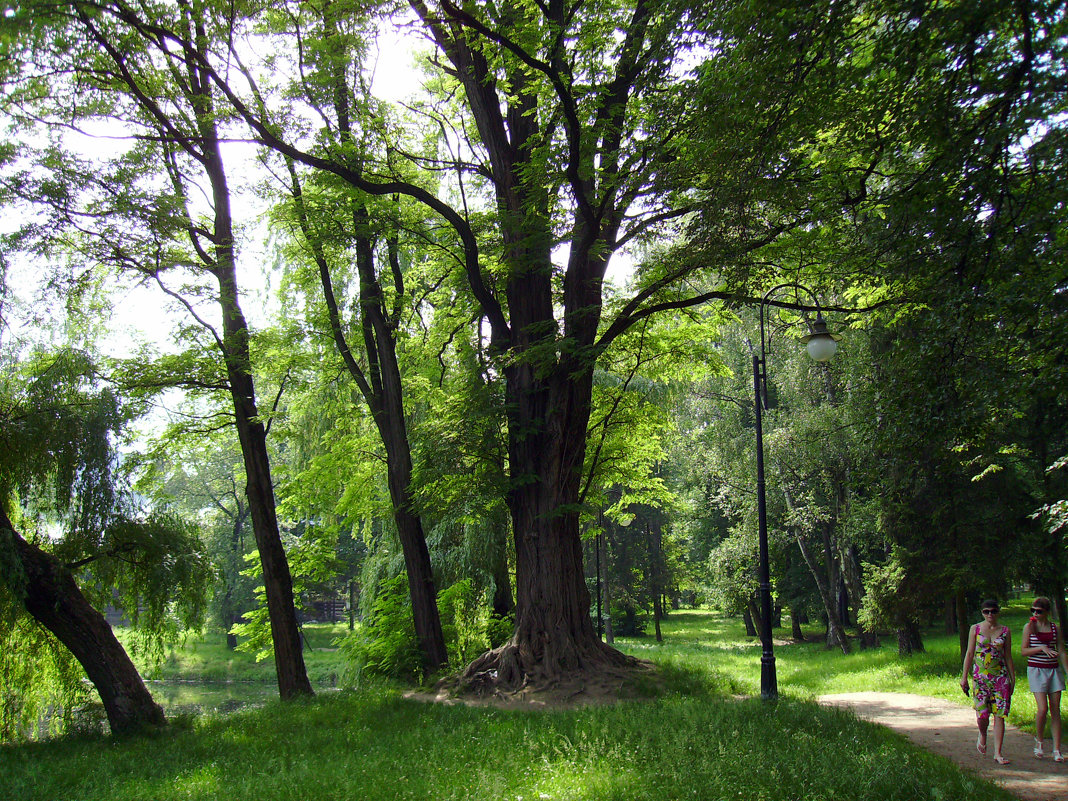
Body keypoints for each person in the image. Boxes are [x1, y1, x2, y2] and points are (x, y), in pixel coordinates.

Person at [961, 599, 1015, 765]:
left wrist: (1012, 678)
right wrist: (964, 677)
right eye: (986, 611)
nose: (990, 614)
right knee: (983, 715)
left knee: (1000, 715)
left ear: (998, 612)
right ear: (982, 613)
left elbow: (1008, 656)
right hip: (980, 678)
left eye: (993, 611)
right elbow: (970, 653)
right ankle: (983, 733)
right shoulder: (975, 629)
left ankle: (998, 753)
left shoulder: (1005, 631)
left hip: (1000, 678)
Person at [1022, 596, 1068, 762]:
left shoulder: (1055, 628)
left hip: (1053, 671)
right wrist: (1041, 648)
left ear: (1047, 612)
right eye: (1033, 610)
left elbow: (1061, 650)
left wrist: (1066, 670)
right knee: (1043, 709)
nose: (1035, 613)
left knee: (1055, 708)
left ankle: (1057, 749)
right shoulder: (1030, 627)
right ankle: (1039, 741)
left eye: (1039, 611)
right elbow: (1024, 651)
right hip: (1036, 670)